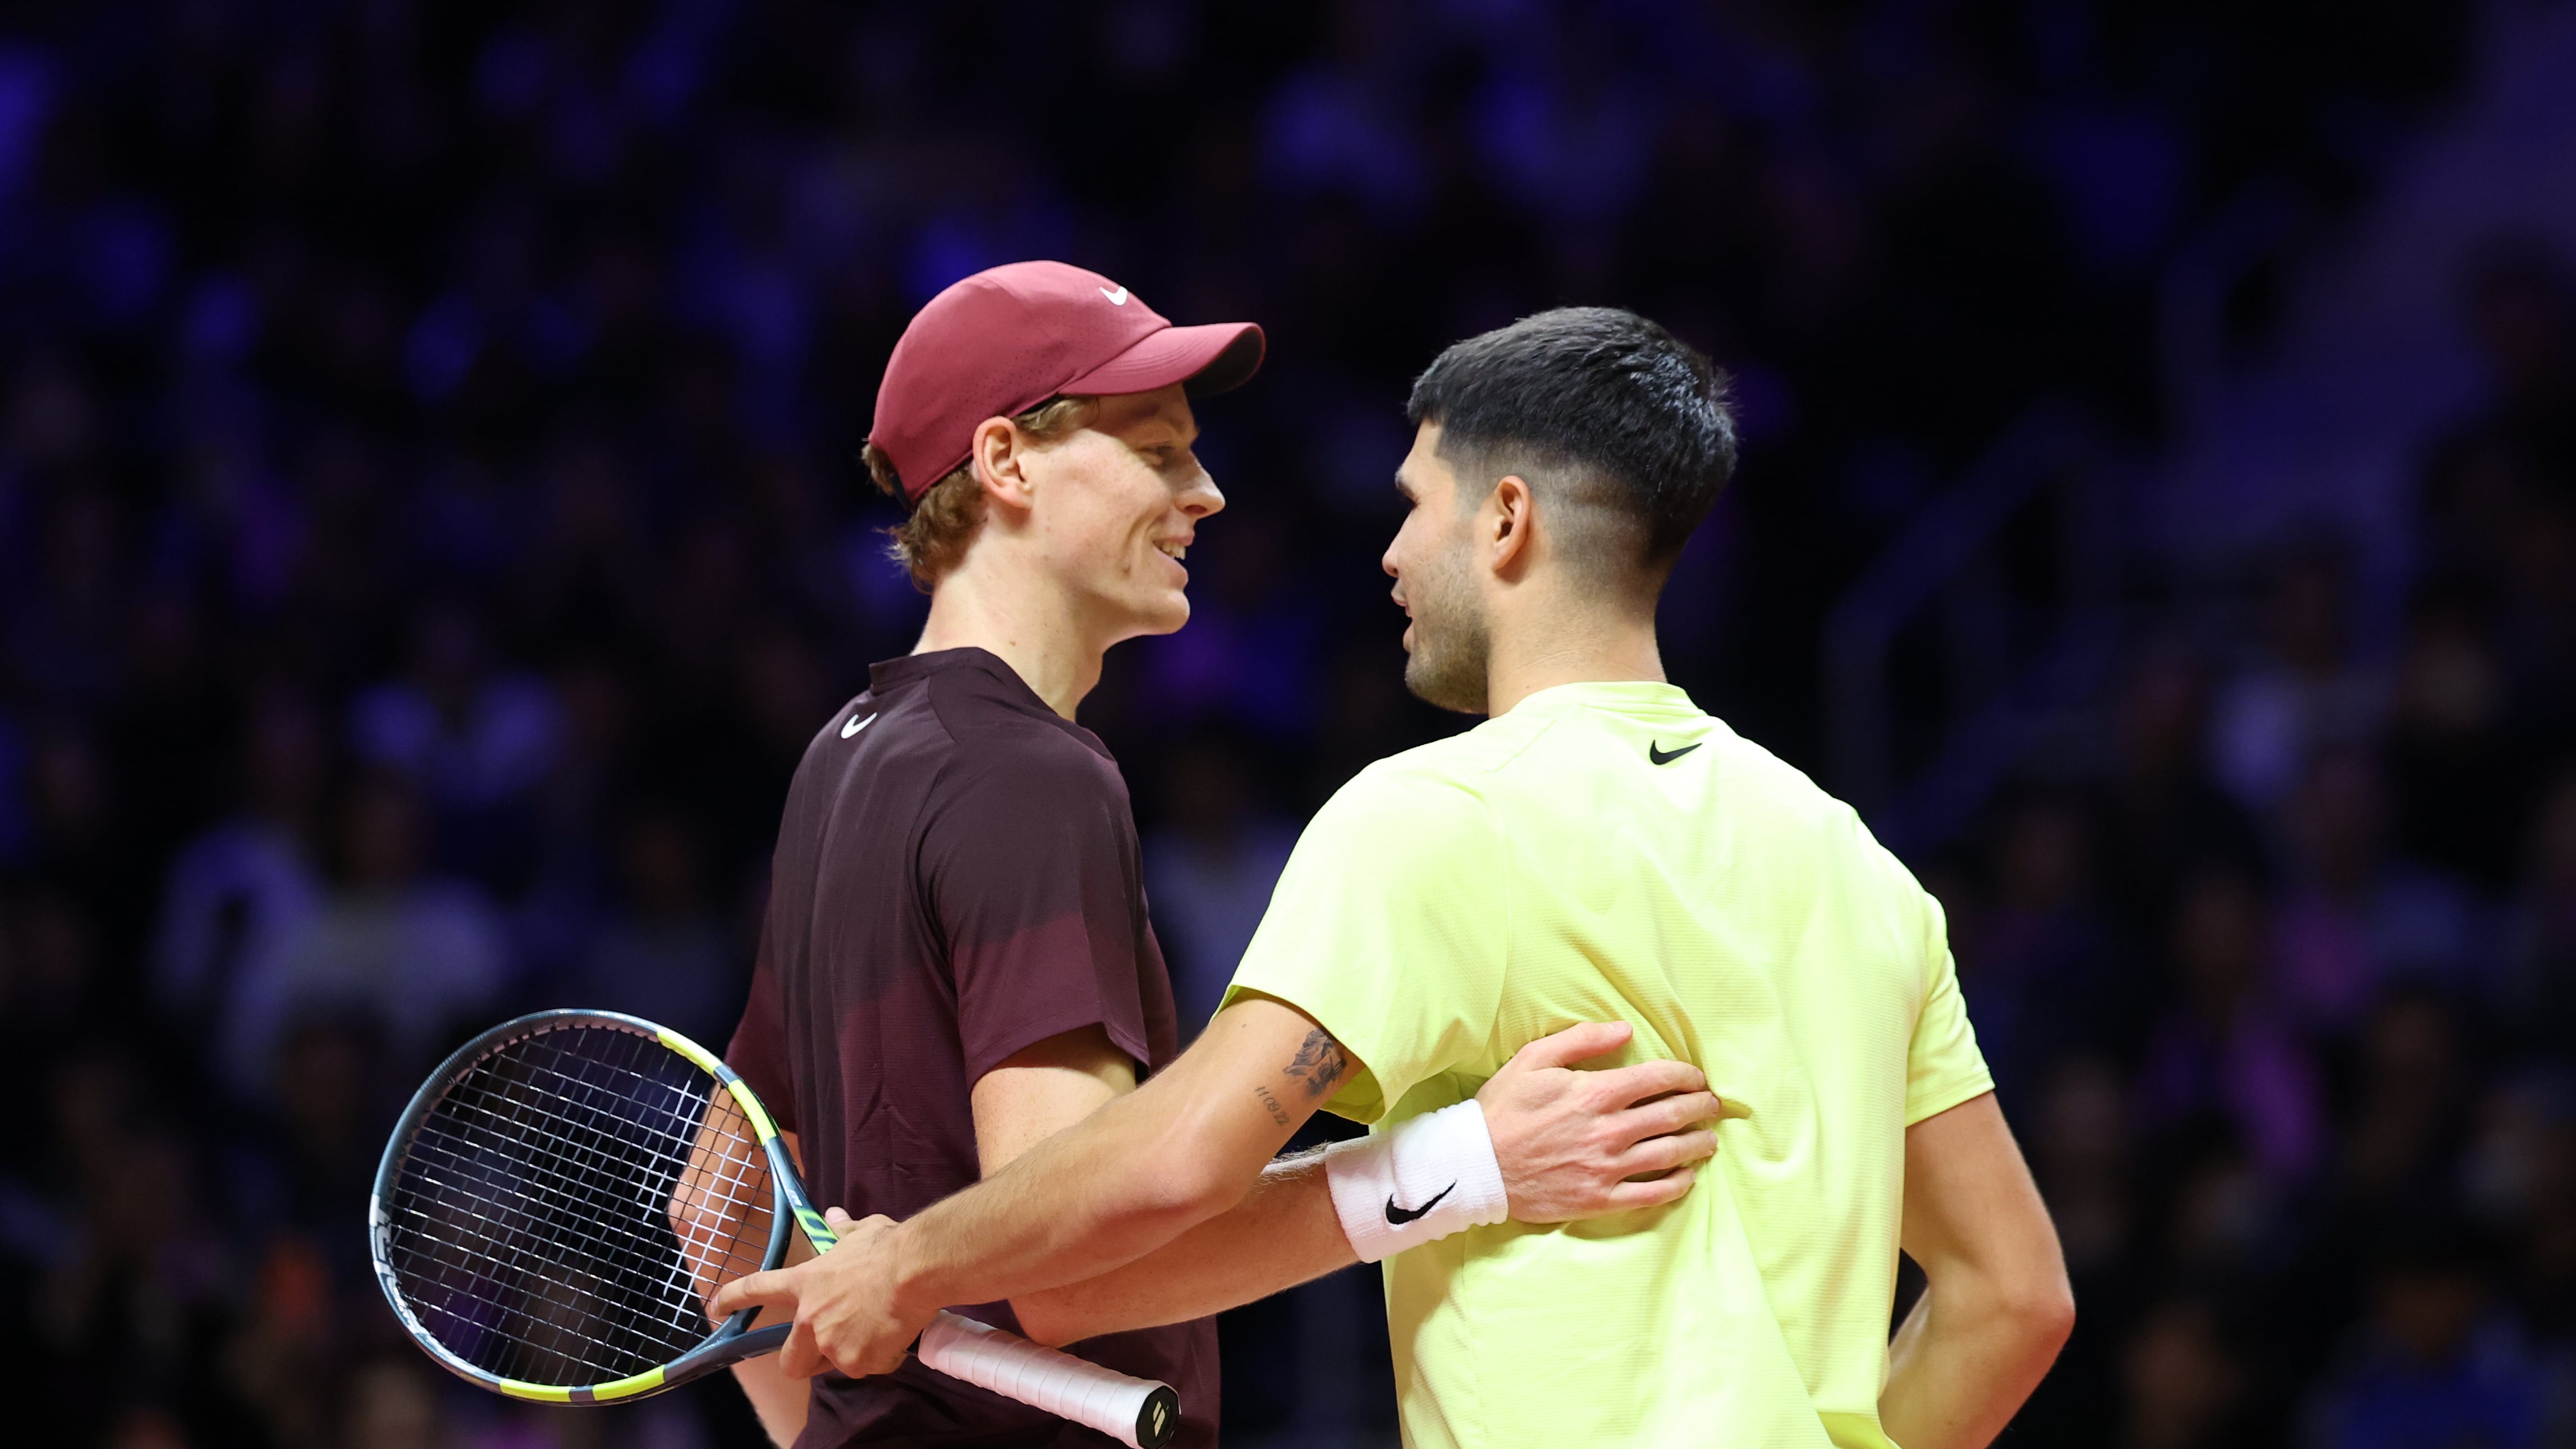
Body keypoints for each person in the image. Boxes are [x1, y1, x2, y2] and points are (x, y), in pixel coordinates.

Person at [716, 307, 2077, 1449]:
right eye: (1160, 452)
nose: (1385, 555)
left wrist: (908, 1267)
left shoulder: (1433, 816)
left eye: (1412, 508)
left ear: (1505, 521)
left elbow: (1132, 1205)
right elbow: (2018, 1299)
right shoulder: (1861, 865)